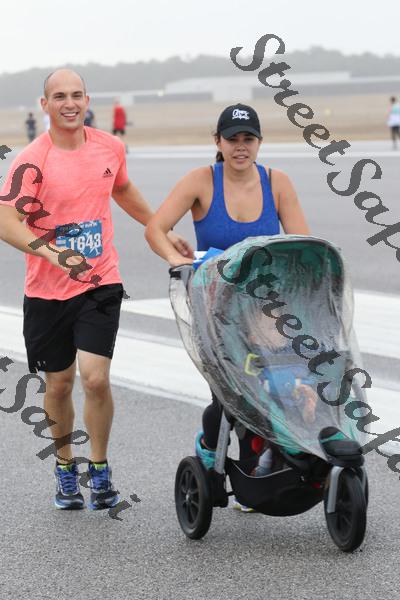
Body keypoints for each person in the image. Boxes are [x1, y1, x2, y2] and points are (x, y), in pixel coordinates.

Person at [0, 69, 191, 511]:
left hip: (100, 281)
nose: (69, 103)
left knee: (96, 378)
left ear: (87, 100)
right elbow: (6, 221)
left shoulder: (109, 148)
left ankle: (100, 469)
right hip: (47, 291)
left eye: (76, 95)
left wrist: (161, 227)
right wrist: (52, 254)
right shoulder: (32, 160)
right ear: (45, 105)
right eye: (59, 96)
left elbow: (121, 189)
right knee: (59, 384)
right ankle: (66, 468)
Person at [145, 103, 310, 510]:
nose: (240, 146)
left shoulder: (277, 183)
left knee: (279, 385)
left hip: (265, 309)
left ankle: (261, 468)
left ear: (259, 142)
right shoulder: (201, 181)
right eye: (232, 139)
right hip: (215, 307)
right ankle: (208, 446)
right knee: (232, 395)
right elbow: (155, 229)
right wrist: (177, 260)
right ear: (217, 142)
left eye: (248, 138)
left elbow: (301, 244)